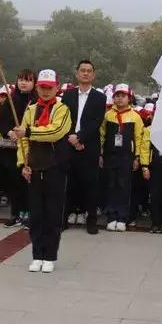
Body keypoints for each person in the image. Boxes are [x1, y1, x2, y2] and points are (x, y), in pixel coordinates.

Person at [14, 69, 72, 273]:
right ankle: (37, 254)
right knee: (36, 215)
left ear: (56, 87)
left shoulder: (62, 109)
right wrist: (23, 164)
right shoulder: (31, 109)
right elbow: (23, 141)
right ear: (37, 88)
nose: (46, 91)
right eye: (42, 87)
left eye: (49, 88)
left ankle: (50, 255)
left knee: (53, 214)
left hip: (55, 168)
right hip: (35, 168)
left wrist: (28, 131)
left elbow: (55, 132)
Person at [62, 60, 107, 235]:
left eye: (89, 71)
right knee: (69, 183)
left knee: (91, 185)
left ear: (93, 75)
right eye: (83, 70)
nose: (86, 73)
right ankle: (64, 218)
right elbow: (63, 119)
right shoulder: (68, 95)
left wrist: (80, 138)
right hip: (68, 145)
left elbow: (96, 122)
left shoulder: (100, 97)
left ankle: (91, 221)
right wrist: (72, 138)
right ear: (77, 73)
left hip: (89, 147)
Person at [100, 83, 143, 232]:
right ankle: (111, 217)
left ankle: (122, 217)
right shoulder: (108, 115)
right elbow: (102, 135)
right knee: (110, 185)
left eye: (122, 96)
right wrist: (100, 153)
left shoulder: (135, 117)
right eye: (117, 96)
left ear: (129, 98)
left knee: (124, 187)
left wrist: (137, 157)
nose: (119, 99)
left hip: (126, 157)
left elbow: (139, 137)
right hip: (109, 156)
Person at [0, 70, 36, 228]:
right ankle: (16, 213)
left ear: (34, 83)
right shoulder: (12, 99)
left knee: (28, 180)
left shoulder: (35, 100)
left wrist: (25, 132)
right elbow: (1, 121)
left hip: (29, 146)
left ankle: (29, 213)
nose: (23, 83)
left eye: (28, 80)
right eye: (21, 79)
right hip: (12, 148)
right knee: (14, 181)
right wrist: (9, 132)